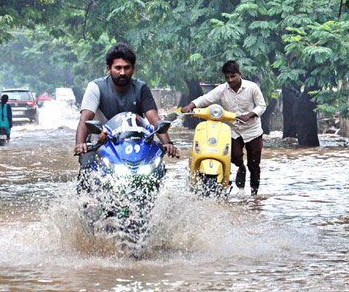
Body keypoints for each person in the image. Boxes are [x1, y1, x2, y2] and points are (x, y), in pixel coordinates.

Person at [75, 43, 179, 162]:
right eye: (118, 68)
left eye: (127, 67)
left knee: (156, 166)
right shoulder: (96, 87)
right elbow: (85, 119)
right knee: (87, 165)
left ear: (133, 69)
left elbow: (154, 119)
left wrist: (168, 144)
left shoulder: (141, 89)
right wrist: (80, 144)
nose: (122, 72)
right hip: (101, 143)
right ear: (109, 69)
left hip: (135, 144)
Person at [181, 60, 267, 195]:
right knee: (234, 156)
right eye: (227, 77)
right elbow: (206, 99)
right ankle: (240, 168)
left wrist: (250, 115)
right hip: (233, 130)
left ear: (239, 74)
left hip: (253, 130)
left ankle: (254, 194)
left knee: (254, 164)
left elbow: (261, 106)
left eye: (233, 77)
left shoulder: (252, 88)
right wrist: (190, 106)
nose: (230, 80)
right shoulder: (222, 89)